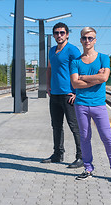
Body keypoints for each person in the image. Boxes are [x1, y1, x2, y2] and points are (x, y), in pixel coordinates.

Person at [70, 27, 111, 181]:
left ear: (95, 40)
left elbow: (104, 78)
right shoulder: (75, 61)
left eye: (90, 38)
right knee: (85, 137)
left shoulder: (104, 58)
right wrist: (94, 78)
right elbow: (75, 83)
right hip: (81, 105)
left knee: (107, 137)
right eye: (84, 38)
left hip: (99, 104)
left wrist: (83, 77)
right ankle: (88, 168)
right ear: (80, 40)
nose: (87, 41)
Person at [41, 22, 83, 168]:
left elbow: (81, 69)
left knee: (74, 126)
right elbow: (49, 69)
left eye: (62, 32)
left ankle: (81, 156)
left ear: (67, 34)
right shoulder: (52, 51)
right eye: (56, 33)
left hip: (68, 94)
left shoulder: (73, 50)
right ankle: (58, 154)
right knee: (56, 126)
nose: (59, 35)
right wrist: (48, 86)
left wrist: (77, 92)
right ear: (53, 35)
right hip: (55, 95)